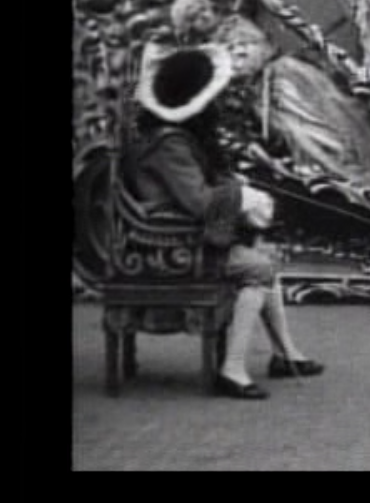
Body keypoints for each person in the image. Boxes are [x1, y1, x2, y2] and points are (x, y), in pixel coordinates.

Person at [122, 45, 325, 400]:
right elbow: (200, 203)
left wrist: (234, 186)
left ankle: (285, 354)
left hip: (176, 240)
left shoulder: (171, 139)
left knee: (263, 261)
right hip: (172, 250)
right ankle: (232, 370)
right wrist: (240, 196)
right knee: (259, 269)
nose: (216, 105)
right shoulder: (169, 146)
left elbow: (198, 191)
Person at [212, 14, 370, 192]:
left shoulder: (280, 76)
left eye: (238, 50)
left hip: (334, 152)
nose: (235, 63)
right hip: (332, 151)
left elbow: (308, 129)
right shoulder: (264, 83)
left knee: (326, 137)